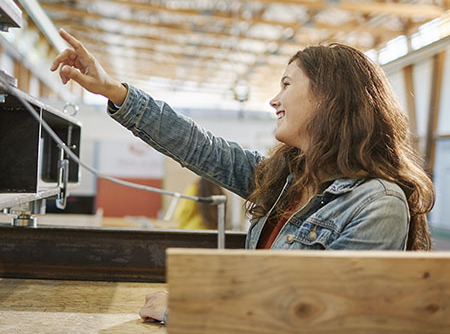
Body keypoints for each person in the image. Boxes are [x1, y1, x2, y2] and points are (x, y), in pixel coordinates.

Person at [51, 28, 435, 324]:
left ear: (328, 99)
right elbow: (199, 146)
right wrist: (113, 90)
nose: (274, 99)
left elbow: (320, 316)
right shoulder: (289, 179)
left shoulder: (378, 204)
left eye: (286, 84)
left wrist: (192, 306)